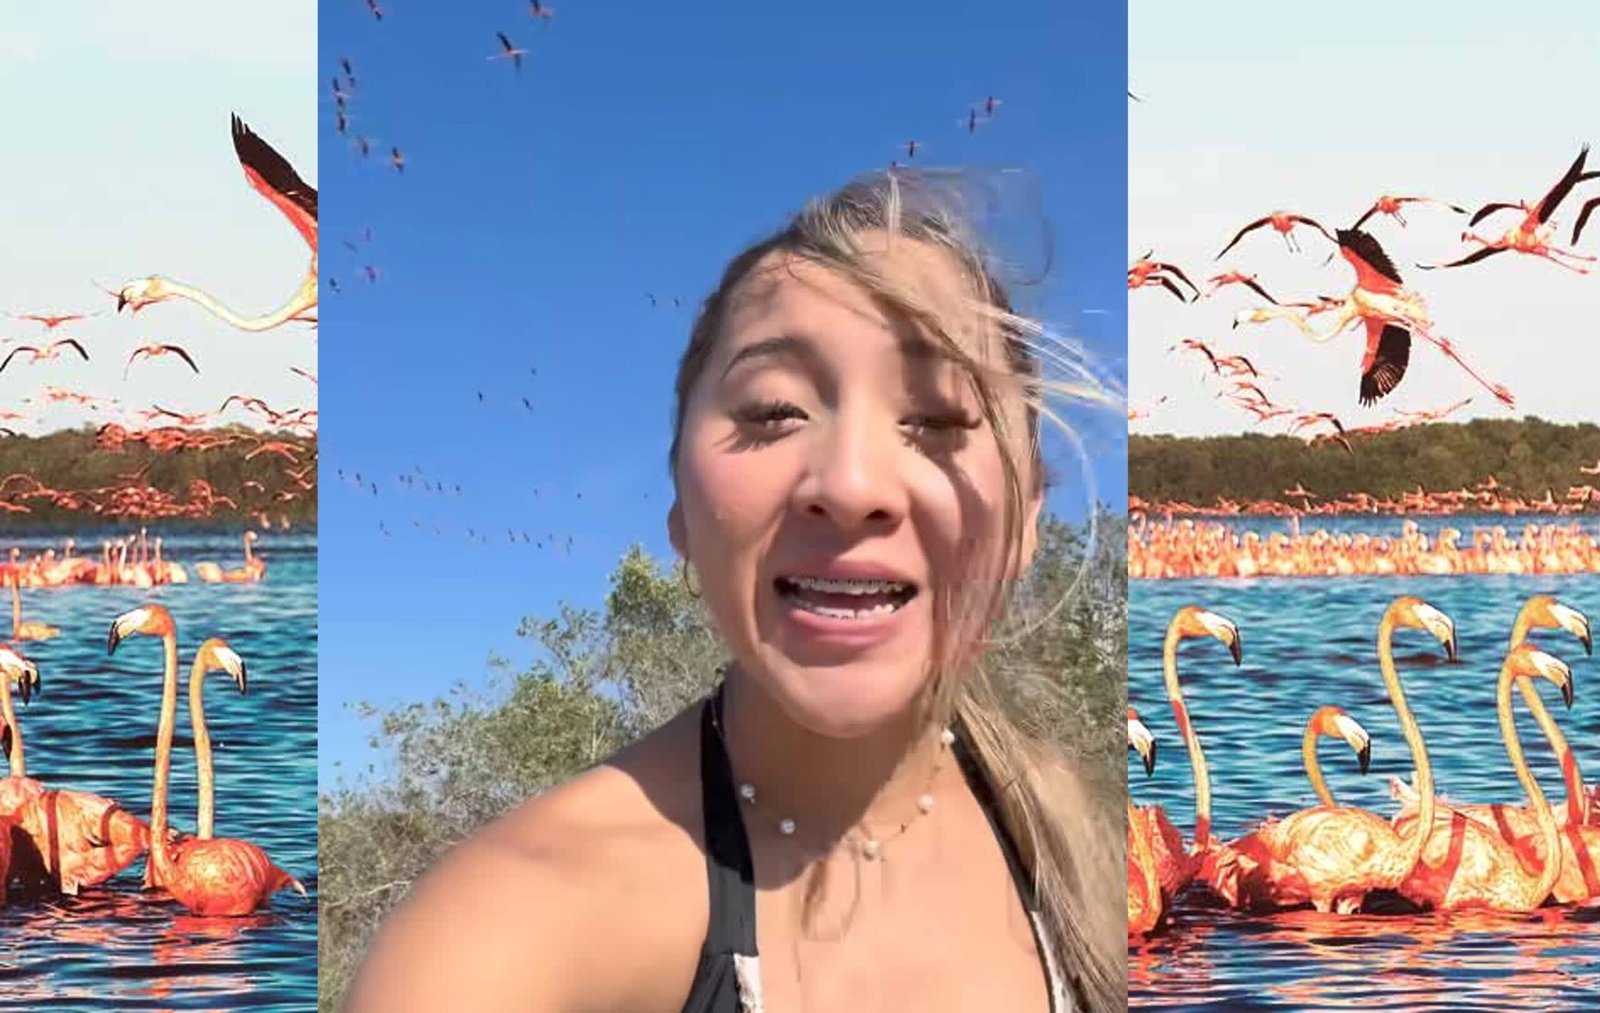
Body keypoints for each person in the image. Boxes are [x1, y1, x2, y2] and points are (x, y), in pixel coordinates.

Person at [342, 169, 1124, 1012]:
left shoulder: (1097, 851)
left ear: (1028, 516)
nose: (851, 483)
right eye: (774, 411)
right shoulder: (506, 939)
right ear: (680, 509)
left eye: (934, 420)